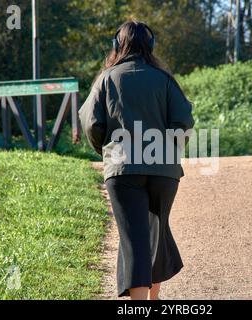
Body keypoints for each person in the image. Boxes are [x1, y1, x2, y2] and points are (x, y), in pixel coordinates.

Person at [79, 20, 194, 300]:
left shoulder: (107, 78)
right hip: (163, 172)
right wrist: (166, 151)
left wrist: (107, 152)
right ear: (150, 46)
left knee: (135, 241)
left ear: (117, 46)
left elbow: (91, 124)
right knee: (156, 234)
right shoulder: (165, 79)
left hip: (123, 170)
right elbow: (183, 122)